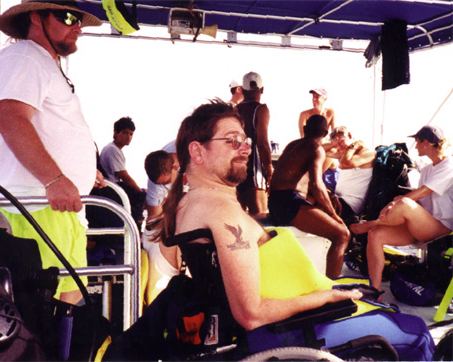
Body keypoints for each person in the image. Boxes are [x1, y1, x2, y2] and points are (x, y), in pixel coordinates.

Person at [103, 100, 434, 361]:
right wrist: (327, 296)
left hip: (271, 317)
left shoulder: (191, 203)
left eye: (245, 140)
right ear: (197, 151)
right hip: (280, 333)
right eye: (232, 141)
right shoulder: (221, 213)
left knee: (379, 306)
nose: (246, 147)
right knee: (417, 333)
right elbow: (250, 314)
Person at [0, 0, 102, 304]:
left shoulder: (41, 62)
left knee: (67, 319)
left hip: (56, 211)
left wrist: (83, 172)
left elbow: (50, 129)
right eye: (67, 16)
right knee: (47, 320)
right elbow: (11, 119)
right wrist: (55, 179)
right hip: (35, 210)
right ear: (36, 17)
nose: (77, 27)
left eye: (78, 19)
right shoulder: (24, 56)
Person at [351, 125, 452, 292]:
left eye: (418, 142)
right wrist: (399, 201)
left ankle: (373, 222)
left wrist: (395, 204)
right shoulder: (427, 170)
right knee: (375, 236)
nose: (416, 146)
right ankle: (375, 291)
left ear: (426, 143)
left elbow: (425, 191)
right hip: (422, 225)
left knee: (404, 203)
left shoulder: (450, 165)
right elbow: (422, 199)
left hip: (441, 229)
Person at [268, 115, 350, 278]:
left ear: (305, 129)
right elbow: (316, 186)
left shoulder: (293, 144)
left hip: (277, 201)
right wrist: (334, 216)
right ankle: (330, 292)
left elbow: (305, 181)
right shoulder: (316, 149)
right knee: (342, 235)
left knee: (325, 208)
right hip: (288, 203)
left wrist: (330, 195)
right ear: (326, 133)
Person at [143, 148, 180, 304]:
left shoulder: (196, 164)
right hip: (162, 230)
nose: (163, 186)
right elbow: (154, 216)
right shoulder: (157, 177)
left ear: (175, 168)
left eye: (166, 182)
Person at [236, 72, 273, 216]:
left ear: (243, 90)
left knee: (238, 219)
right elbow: (262, 143)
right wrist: (269, 169)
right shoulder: (261, 109)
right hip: (253, 172)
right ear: (262, 90)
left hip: (236, 170)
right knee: (260, 217)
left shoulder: (233, 110)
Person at [100, 116, 146, 230]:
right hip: (112, 190)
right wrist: (139, 192)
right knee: (145, 197)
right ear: (115, 133)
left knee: (145, 195)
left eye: (131, 134)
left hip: (116, 188)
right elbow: (124, 176)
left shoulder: (116, 149)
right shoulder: (112, 149)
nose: (129, 137)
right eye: (125, 133)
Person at [327, 126, 376, 226]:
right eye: (337, 146)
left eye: (341, 142)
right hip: (338, 200)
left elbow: (344, 164)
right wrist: (335, 144)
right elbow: (319, 148)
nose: (339, 148)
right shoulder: (345, 153)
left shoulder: (368, 152)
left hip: (350, 205)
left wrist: (352, 146)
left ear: (349, 135)